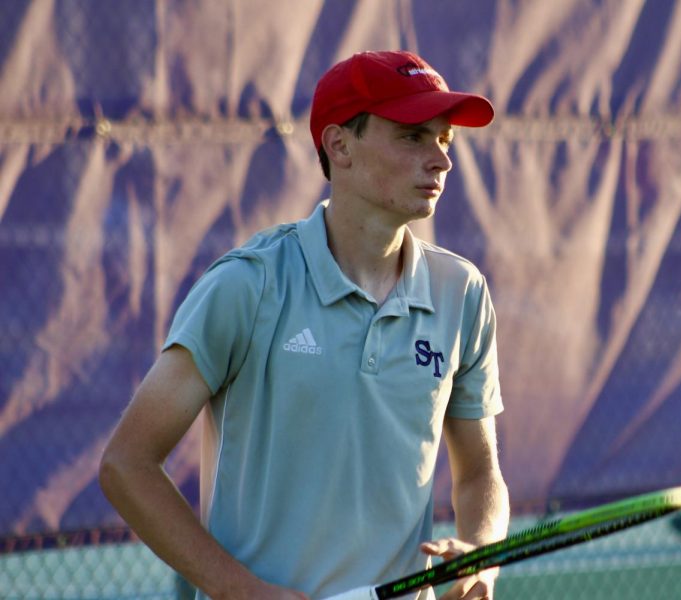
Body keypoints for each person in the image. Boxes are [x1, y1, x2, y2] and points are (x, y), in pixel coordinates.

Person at [99, 50, 510, 600]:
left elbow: (480, 473)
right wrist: (241, 590)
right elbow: (127, 464)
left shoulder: (462, 293)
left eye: (444, 139)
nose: (440, 160)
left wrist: (481, 557)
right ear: (339, 145)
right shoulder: (248, 285)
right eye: (413, 136)